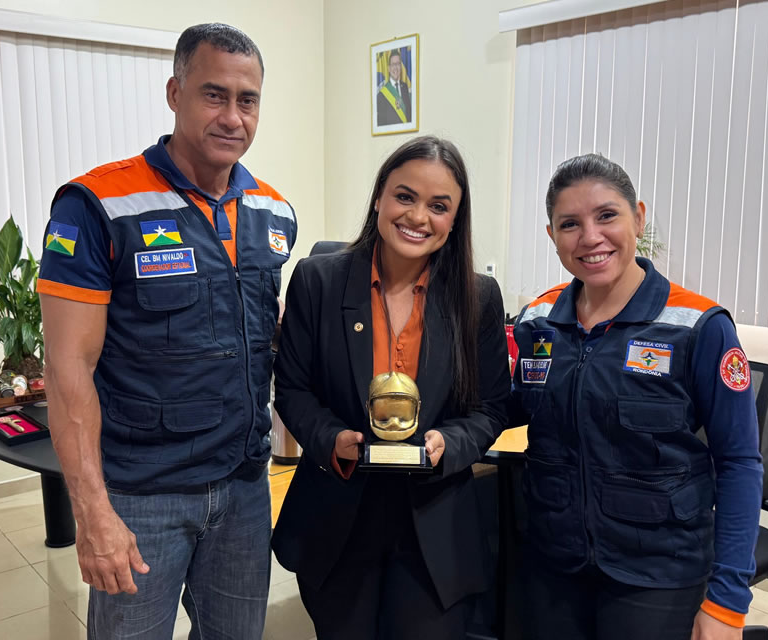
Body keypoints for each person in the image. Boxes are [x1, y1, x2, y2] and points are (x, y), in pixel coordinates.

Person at [37, 23, 296, 639]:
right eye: (214, 94)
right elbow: (67, 366)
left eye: (248, 99)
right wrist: (92, 511)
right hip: (141, 498)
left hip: (243, 490)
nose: (233, 116)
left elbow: (265, 338)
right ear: (175, 92)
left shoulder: (273, 211)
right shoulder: (98, 205)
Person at [509, 154, 763, 640]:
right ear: (552, 236)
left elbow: (739, 463)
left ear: (638, 217)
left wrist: (728, 601)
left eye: (607, 215)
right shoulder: (539, 321)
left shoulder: (697, 327)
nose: (590, 237)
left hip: (658, 572)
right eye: (570, 224)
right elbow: (513, 406)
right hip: (553, 562)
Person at [271, 136, 509, 639]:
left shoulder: (477, 297)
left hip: (435, 524)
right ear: (380, 196)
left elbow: (490, 409)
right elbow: (292, 388)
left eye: (439, 206)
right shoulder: (318, 280)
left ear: (454, 219)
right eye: (405, 196)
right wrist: (329, 438)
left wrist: (451, 444)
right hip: (339, 516)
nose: (419, 216)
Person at [376, 49, 412, 126]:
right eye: (393, 64)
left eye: (398, 64)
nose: (396, 67)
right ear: (389, 68)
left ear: (401, 67)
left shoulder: (405, 87)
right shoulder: (381, 95)